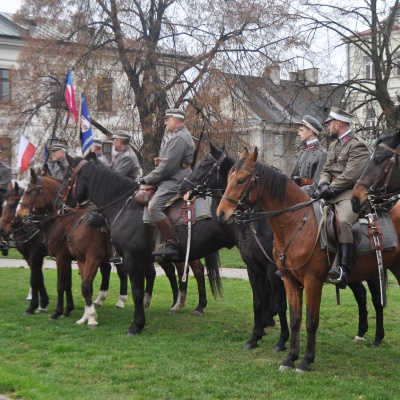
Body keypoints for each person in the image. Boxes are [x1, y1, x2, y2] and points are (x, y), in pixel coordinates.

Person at [313, 107, 370, 288]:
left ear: (337, 124)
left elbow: (351, 175)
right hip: (330, 191)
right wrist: (322, 184)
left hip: (349, 194)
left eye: (329, 124)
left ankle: (344, 269)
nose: (328, 127)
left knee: (344, 220)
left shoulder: (357, 144)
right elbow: (326, 169)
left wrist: (330, 189)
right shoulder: (333, 145)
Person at [141, 108, 195, 260]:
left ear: (175, 120)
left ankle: (171, 245)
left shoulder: (179, 138)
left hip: (176, 180)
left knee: (154, 206)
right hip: (173, 176)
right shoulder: (178, 136)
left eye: (167, 119)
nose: (165, 122)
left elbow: (169, 167)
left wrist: (148, 178)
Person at [290, 115, 327, 196]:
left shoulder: (322, 154)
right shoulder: (302, 152)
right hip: (298, 193)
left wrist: (297, 192)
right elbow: (292, 177)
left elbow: (317, 184)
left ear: (310, 132)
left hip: (312, 196)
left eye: (301, 130)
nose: (299, 134)